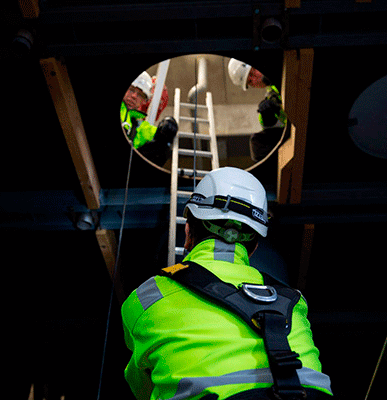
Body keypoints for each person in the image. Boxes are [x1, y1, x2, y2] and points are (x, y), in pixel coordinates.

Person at [122, 167, 334, 400]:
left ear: (188, 229)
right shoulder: (293, 300)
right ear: (253, 246)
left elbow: (141, 387)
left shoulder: (146, 298)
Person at [227, 59, 288, 162]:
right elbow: (284, 122)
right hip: (297, 124)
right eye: (250, 82)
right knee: (256, 144)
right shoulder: (271, 94)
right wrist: (268, 119)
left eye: (253, 72)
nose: (255, 80)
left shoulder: (282, 65)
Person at [121, 71, 178, 166]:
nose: (134, 96)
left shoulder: (139, 126)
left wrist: (167, 128)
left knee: (162, 147)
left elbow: (154, 135)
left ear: (144, 101)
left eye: (140, 95)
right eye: (131, 90)